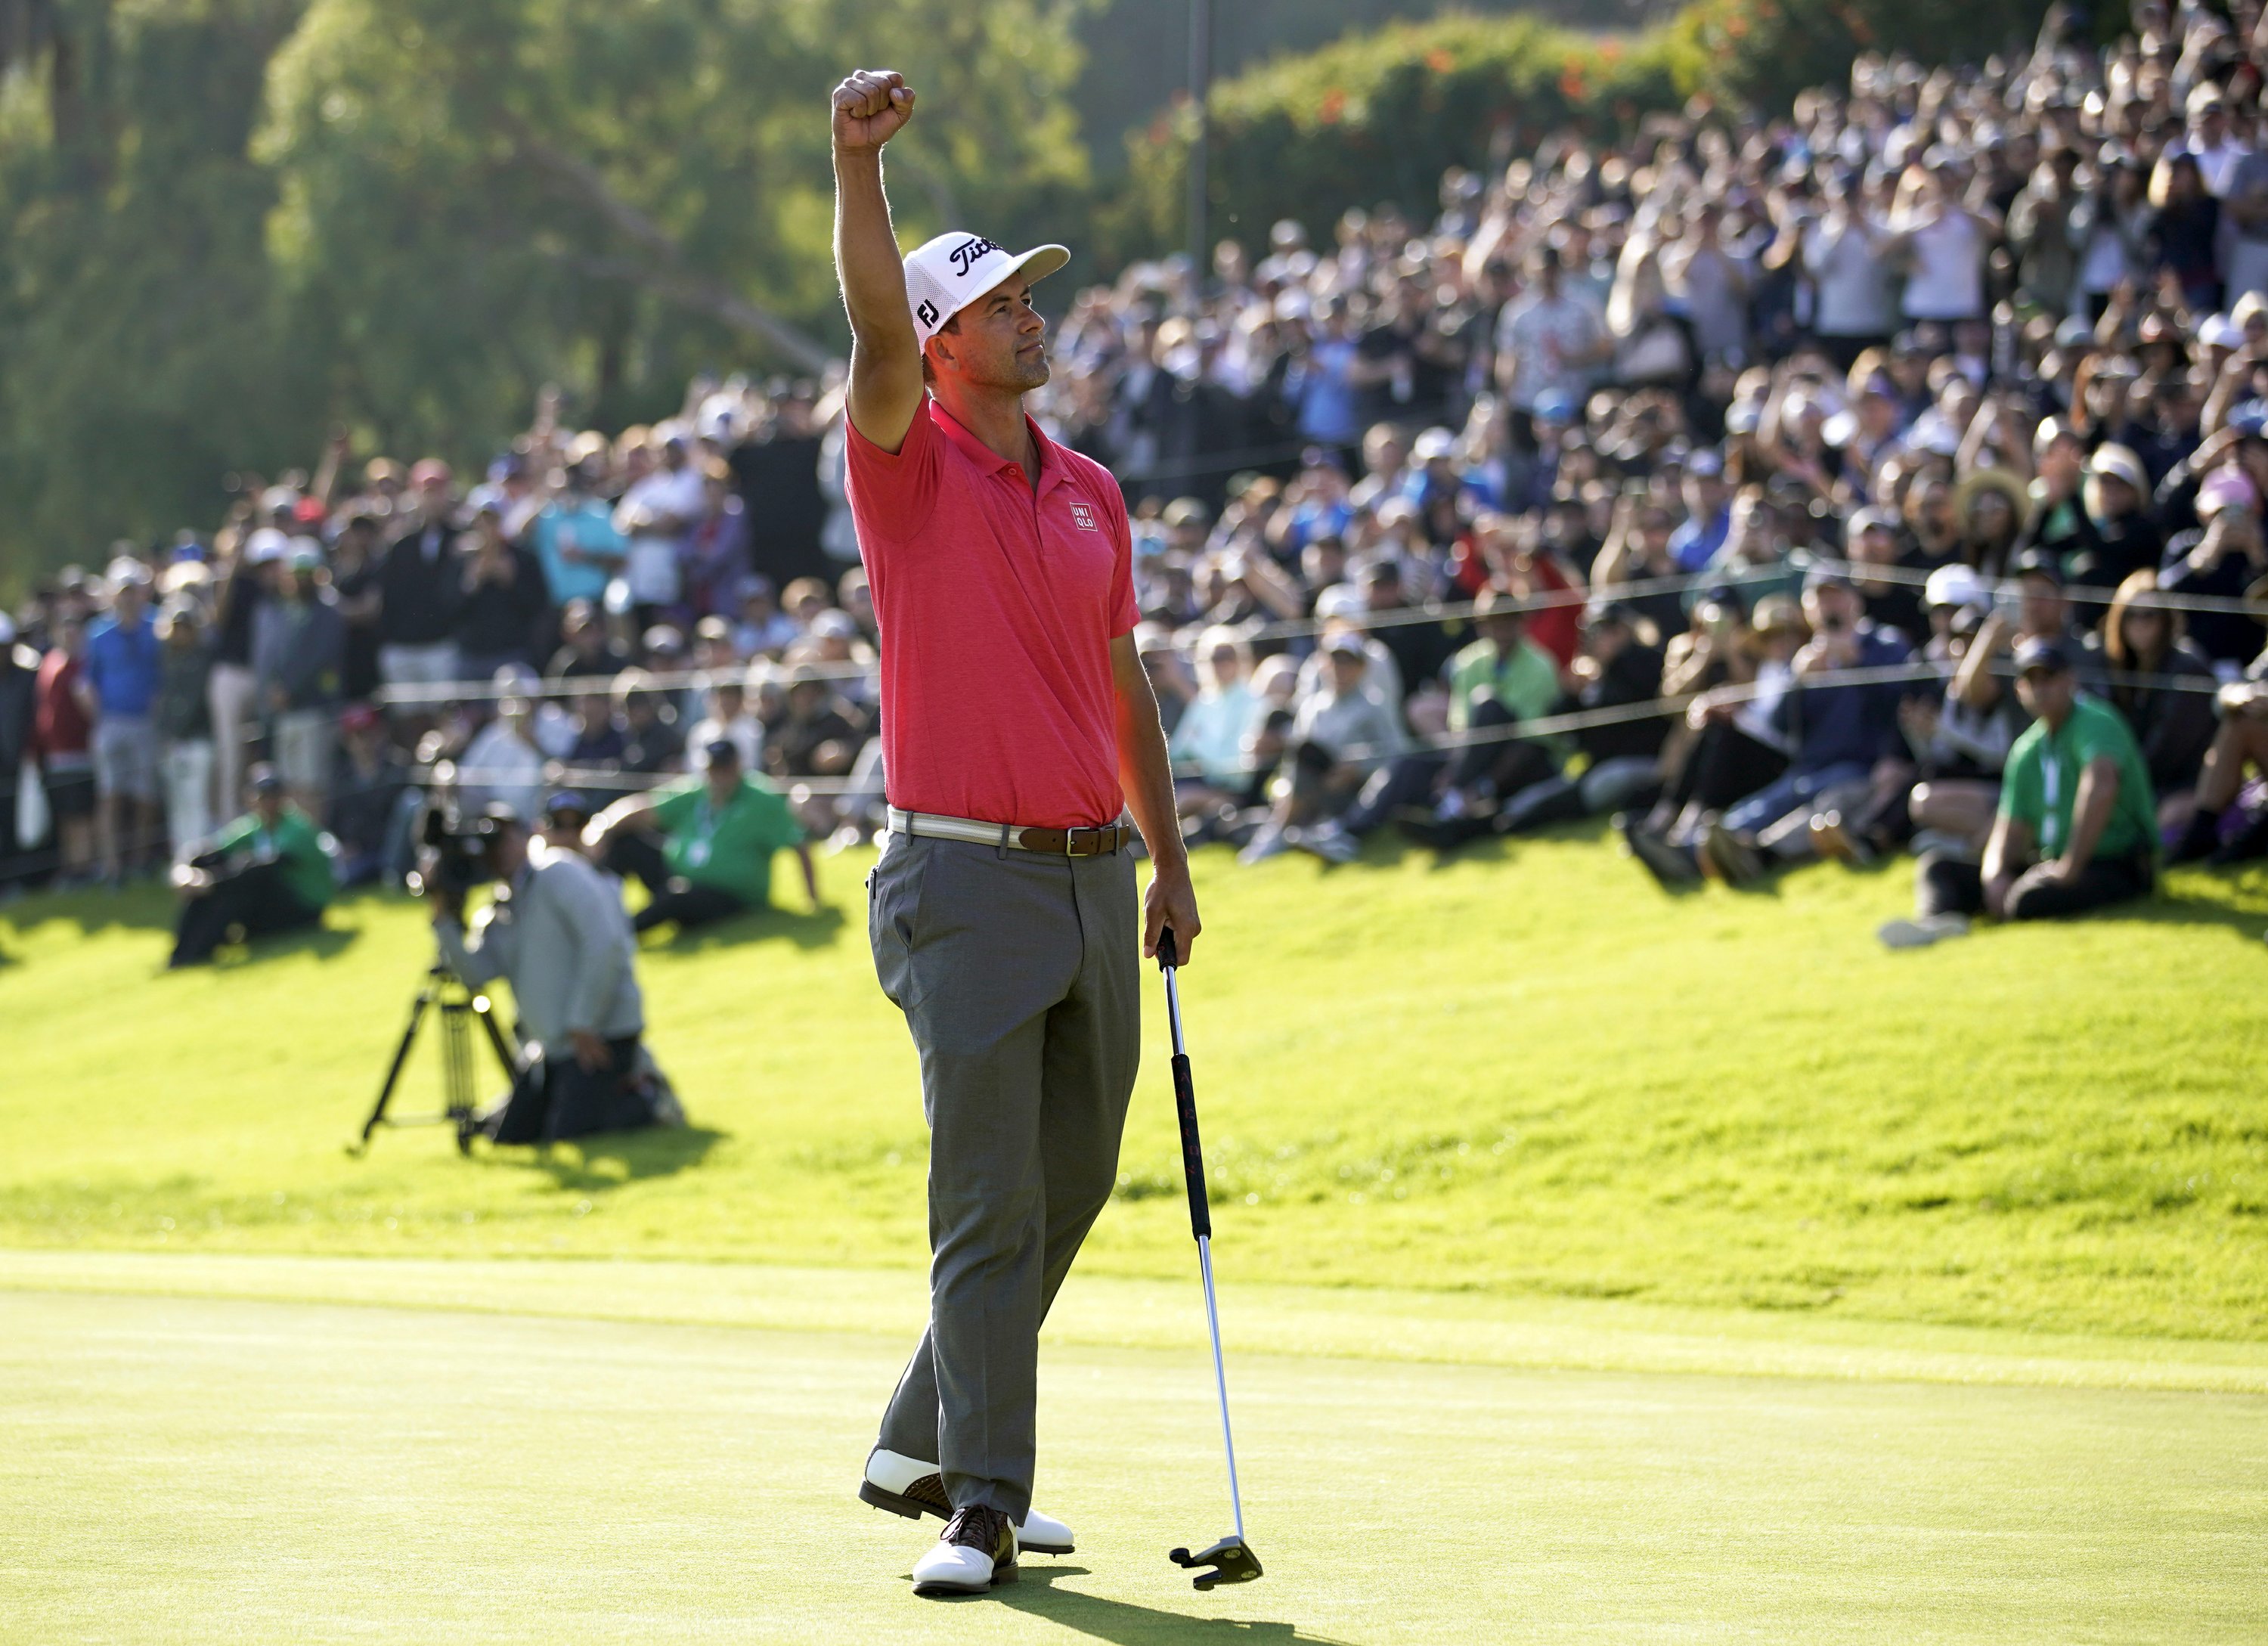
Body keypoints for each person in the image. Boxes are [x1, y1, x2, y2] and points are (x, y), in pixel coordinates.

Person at [829, 67, 1195, 1597]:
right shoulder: (905, 456)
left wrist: (1168, 858)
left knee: (1072, 1176)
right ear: (941, 342)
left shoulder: (1091, 491)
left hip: (1090, 877)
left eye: (1034, 298)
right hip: (960, 874)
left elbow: (1123, 683)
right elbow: (864, 321)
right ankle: (984, 1497)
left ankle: (927, 1435)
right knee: (985, 1196)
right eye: (1002, 304)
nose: (1036, 316)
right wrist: (858, 167)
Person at [1885, 638, 2158, 947]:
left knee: (2029, 898)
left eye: (2048, 678)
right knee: (1938, 866)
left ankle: (2005, 904)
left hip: (2115, 863)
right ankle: (1936, 925)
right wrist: (1995, 875)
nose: (2040, 689)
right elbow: (2010, 827)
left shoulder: (2096, 722)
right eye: (2031, 681)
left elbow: (2101, 787)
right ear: (2019, 690)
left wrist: (2069, 867)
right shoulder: (2027, 749)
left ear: (2070, 680)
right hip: (2052, 862)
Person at [429, 806, 667, 1143]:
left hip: (600, 1035)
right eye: (490, 842)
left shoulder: (557, 872)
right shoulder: (498, 909)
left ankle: (647, 1095)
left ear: (528, 836)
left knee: (571, 1134)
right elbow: (475, 974)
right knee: (511, 1138)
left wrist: (583, 1021)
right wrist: (443, 916)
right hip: (553, 1048)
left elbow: (604, 944)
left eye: (506, 836)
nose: (501, 849)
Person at [585, 738, 817, 934]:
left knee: (677, 898)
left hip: (730, 896)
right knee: (626, 843)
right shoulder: (697, 791)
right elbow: (640, 808)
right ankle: (595, 911)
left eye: (724, 768)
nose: (719, 775)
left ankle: (617, 933)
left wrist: (812, 898)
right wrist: (602, 829)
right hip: (679, 873)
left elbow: (798, 844)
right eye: (713, 769)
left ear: (738, 765)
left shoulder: (762, 800)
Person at [168, 764, 336, 967]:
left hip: (305, 908)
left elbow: (266, 868)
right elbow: (208, 852)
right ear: (252, 799)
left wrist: (211, 883)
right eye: (263, 796)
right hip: (274, 904)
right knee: (219, 873)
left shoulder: (297, 829)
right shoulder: (254, 826)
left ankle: (196, 950)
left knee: (240, 879)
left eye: (273, 795)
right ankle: (184, 951)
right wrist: (185, 873)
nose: (268, 802)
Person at [85, 559, 165, 881]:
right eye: (123, 592)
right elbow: (88, 682)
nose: (129, 598)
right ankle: (113, 867)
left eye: (134, 591)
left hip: (147, 723)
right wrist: (99, 719)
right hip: (111, 723)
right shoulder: (98, 633)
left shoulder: (158, 626)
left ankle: (142, 860)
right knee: (111, 796)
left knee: (146, 796)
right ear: (114, 595)